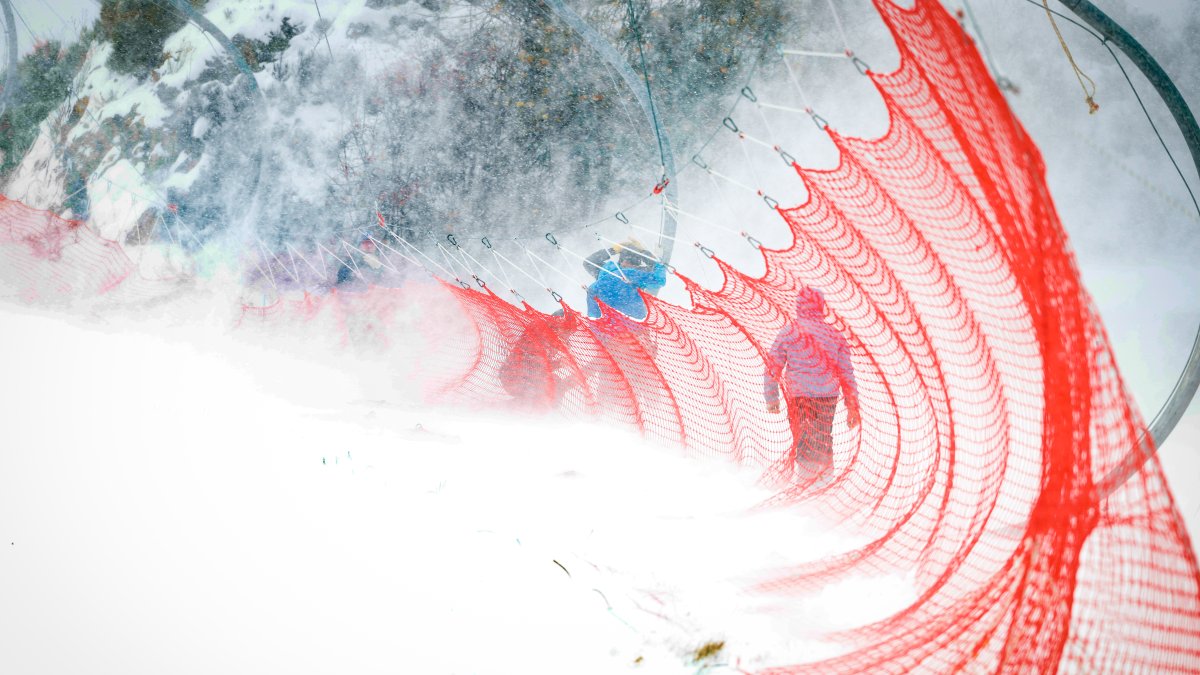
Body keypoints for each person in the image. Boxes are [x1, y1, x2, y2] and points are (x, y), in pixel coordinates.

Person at [764, 287, 860, 480]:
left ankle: (806, 483)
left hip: (799, 397)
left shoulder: (789, 332)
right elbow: (846, 373)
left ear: (799, 306)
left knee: (803, 439)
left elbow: (773, 366)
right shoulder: (834, 335)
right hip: (827, 397)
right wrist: (852, 406)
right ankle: (825, 482)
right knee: (823, 438)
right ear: (821, 306)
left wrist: (771, 397)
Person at [583, 239, 667, 321]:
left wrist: (613, 250)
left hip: (604, 322)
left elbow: (588, 262)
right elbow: (659, 279)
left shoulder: (607, 269)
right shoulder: (635, 273)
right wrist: (642, 252)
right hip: (631, 321)